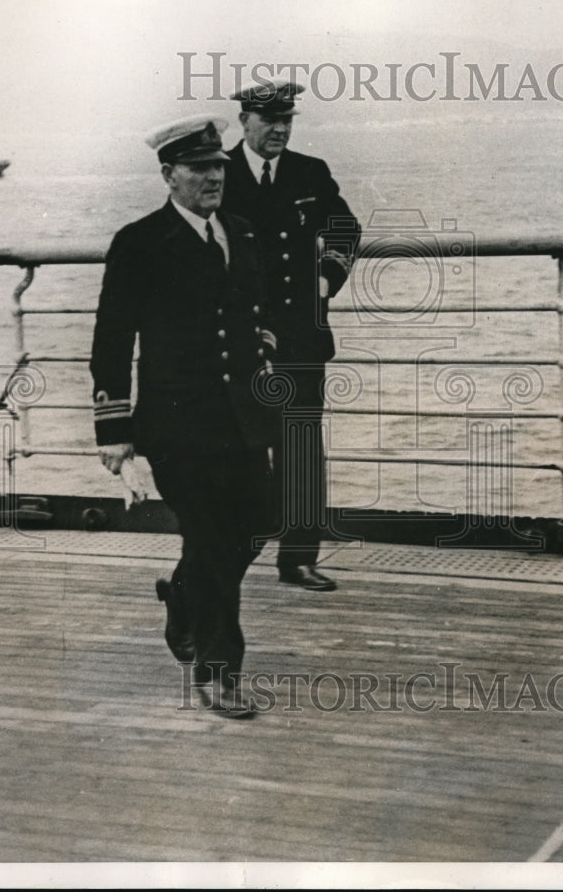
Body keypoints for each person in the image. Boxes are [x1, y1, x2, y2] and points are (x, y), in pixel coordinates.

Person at [90, 114, 276, 719]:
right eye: (199, 169)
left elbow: (256, 317)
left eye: (219, 167)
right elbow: (112, 342)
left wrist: (264, 368)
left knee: (258, 522)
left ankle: (183, 599)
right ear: (170, 176)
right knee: (216, 537)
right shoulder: (140, 242)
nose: (213, 178)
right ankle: (219, 670)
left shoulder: (241, 232)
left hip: (242, 422)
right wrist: (115, 432)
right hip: (177, 428)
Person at [222, 77, 361, 592]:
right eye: (269, 121)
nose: (279, 130)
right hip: (241, 337)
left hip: (301, 336)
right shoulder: (221, 173)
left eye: (287, 121)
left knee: (301, 448)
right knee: (242, 448)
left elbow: (345, 227)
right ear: (245, 122)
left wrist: (327, 277)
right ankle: (229, 553)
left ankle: (298, 558)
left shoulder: (310, 172)